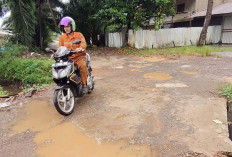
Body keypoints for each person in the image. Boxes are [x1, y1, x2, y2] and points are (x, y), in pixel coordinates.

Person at [59, 16, 88, 93]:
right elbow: (60, 48)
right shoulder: (62, 37)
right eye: (64, 27)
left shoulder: (79, 35)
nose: (66, 28)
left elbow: (83, 44)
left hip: (79, 57)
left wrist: (80, 48)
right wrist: (55, 54)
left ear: (72, 26)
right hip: (68, 59)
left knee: (82, 66)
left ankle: (84, 84)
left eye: (67, 26)